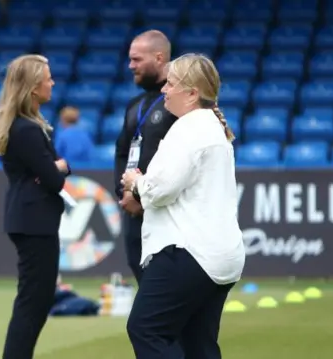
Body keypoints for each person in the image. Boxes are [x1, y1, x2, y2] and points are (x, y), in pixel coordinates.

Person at [121, 53, 246, 359]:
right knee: (198, 343)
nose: (164, 89)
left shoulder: (189, 129)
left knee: (146, 329)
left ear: (191, 94)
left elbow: (160, 190)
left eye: (171, 84)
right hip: (219, 255)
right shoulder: (212, 128)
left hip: (189, 251)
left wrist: (134, 182)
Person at [0, 54, 70, 359]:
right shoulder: (29, 130)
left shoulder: (22, 126)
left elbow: (47, 173)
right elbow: (54, 178)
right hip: (35, 222)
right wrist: (59, 167)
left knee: (34, 301)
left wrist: (53, 168)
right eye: (47, 78)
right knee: (33, 303)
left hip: (29, 219)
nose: (52, 83)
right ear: (33, 87)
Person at [114, 30, 178, 284]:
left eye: (137, 59)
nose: (131, 66)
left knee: (167, 286)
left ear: (159, 58)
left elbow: (180, 159)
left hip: (164, 211)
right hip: (133, 210)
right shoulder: (134, 104)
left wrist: (145, 198)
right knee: (143, 278)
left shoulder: (178, 102)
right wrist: (125, 195)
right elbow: (121, 152)